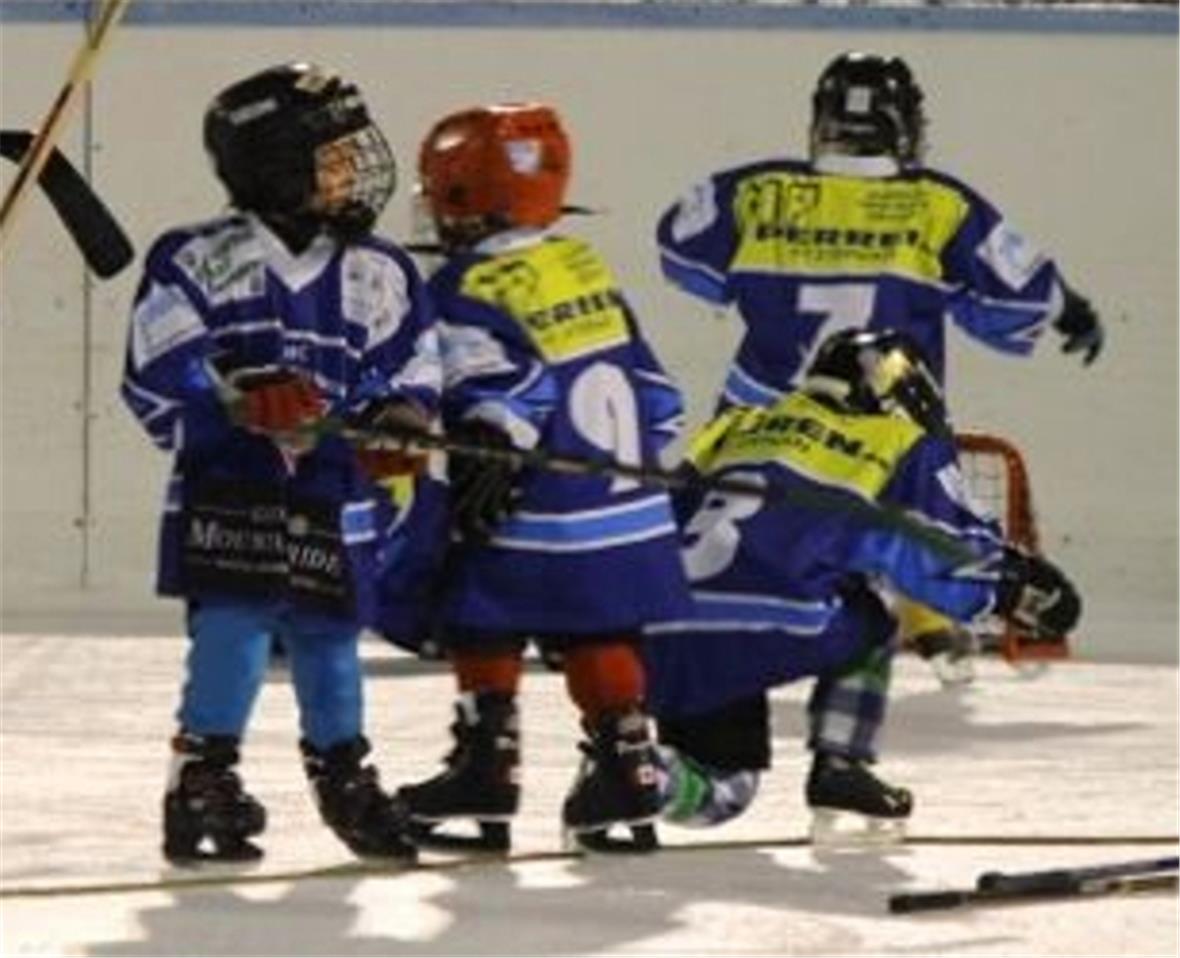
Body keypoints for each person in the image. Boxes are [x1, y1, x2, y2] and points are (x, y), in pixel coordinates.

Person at [655, 51, 1102, 677]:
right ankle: (921, 630)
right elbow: (1018, 285)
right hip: (883, 418)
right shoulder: (937, 203)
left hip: (760, 417)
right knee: (906, 522)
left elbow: (678, 243)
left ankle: (689, 629)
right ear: (905, 124)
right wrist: (1070, 309)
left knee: (728, 526)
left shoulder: (755, 191)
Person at [120, 62, 442, 865]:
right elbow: (159, 361)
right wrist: (233, 389)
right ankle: (203, 778)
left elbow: (410, 367)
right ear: (272, 164)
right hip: (232, 486)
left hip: (333, 488)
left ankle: (345, 775)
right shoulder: (196, 257)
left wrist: (399, 418)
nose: (352, 170)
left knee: (331, 632)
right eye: (331, 155)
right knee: (235, 621)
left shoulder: (383, 269)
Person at [641, 328, 1082, 843]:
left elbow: (663, 515)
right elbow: (934, 548)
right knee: (871, 618)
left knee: (720, 783)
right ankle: (840, 765)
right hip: (777, 617)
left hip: (664, 620)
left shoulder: (737, 425)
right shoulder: (892, 440)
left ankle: (636, 768)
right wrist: (1013, 590)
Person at [392, 102, 693, 854]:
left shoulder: (465, 284)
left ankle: (486, 767)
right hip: (625, 503)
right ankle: (628, 766)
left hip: (542, 500)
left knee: (474, 603)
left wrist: (492, 441)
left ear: (463, 193)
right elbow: (659, 397)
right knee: (601, 624)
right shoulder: (583, 265)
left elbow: (500, 381)